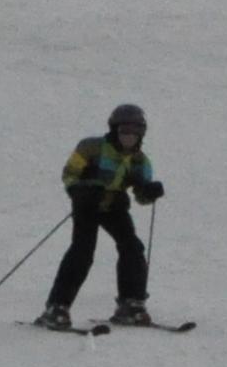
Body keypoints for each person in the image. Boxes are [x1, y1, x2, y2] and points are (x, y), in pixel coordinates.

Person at [37, 103, 164, 330]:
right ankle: (57, 307)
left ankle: (131, 303)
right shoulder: (91, 148)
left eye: (135, 131)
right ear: (114, 129)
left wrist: (148, 192)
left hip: (114, 207)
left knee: (132, 247)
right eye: (124, 130)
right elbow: (70, 174)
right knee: (82, 251)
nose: (129, 136)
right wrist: (83, 191)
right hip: (87, 205)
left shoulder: (140, 161)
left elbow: (141, 196)